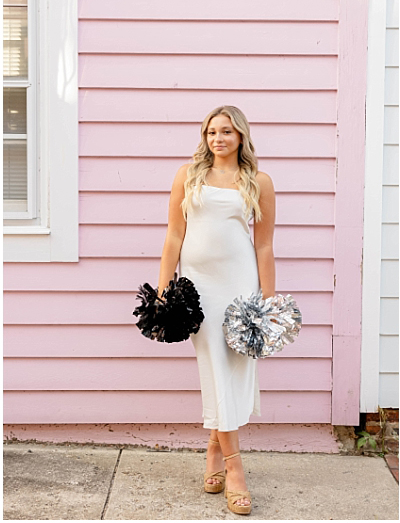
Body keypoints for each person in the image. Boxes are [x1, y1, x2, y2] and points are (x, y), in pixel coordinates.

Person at [156, 105, 276, 516]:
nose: (217, 139)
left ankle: (212, 448)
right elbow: (174, 234)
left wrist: (269, 301)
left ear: (240, 136)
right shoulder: (187, 176)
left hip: (240, 287)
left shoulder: (258, 181)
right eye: (211, 132)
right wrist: (163, 286)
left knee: (235, 368)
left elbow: (263, 245)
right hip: (199, 288)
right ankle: (235, 468)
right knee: (214, 367)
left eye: (226, 131)